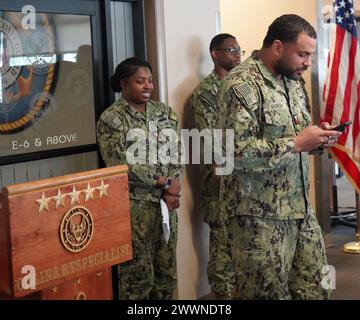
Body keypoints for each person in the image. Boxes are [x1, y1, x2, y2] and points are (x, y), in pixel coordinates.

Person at [217, 14, 341, 299]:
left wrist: (316, 136)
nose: (307, 63)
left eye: (309, 55)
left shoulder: (292, 82)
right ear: (277, 47)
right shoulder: (241, 86)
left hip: (300, 210)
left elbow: (293, 134)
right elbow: (233, 153)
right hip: (259, 219)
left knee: (317, 290)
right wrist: (297, 143)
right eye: (302, 54)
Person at [96, 57, 184, 299]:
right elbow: (120, 163)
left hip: (166, 206)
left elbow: (177, 152)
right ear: (124, 84)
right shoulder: (112, 119)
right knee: (137, 279)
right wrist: (162, 182)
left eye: (150, 81)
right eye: (140, 81)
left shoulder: (164, 113)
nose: (148, 87)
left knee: (167, 275)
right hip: (133, 208)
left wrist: (172, 189)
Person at [190, 33, 242, 299]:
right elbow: (214, 141)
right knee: (222, 251)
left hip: (246, 184)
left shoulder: (242, 87)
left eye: (238, 49)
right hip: (221, 184)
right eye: (231, 49)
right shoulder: (206, 92)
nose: (237, 53)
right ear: (215, 54)